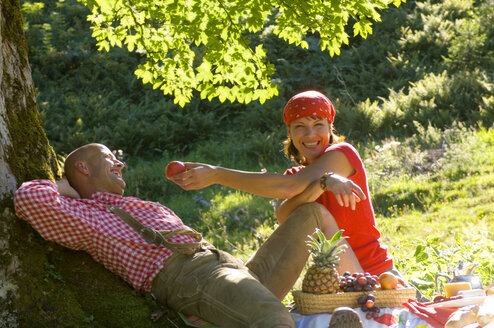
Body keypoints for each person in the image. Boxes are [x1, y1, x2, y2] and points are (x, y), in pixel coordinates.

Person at [14, 143, 364, 328]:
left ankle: (366, 287)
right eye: (109, 159)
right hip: (189, 277)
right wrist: (66, 187)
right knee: (272, 319)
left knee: (309, 214)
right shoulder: (86, 214)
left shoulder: (131, 202)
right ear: (83, 169)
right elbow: (28, 198)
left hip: (229, 269)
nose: (120, 164)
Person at [169, 90, 394, 277]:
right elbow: (285, 216)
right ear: (289, 132)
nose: (310, 134)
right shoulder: (294, 174)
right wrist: (322, 184)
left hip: (376, 273)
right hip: (334, 279)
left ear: (330, 128)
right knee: (312, 212)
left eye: (318, 125)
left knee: (317, 211)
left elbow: (290, 187)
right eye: (300, 126)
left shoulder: (342, 154)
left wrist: (217, 175)